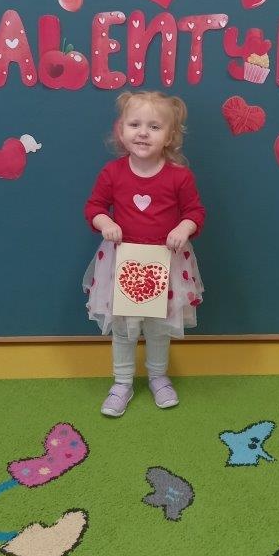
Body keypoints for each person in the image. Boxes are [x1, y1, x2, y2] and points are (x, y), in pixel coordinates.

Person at [83, 90, 205, 417]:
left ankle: (158, 377)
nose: (143, 133)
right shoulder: (113, 172)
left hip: (165, 262)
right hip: (122, 262)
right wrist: (106, 222)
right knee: (124, 328)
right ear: (121, 130)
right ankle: (122, 382)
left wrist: (183, 229)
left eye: (154, 127)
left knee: (157, 327)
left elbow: (195, 212)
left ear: (170, 136)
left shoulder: (179, 176)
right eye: (135, 124)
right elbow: (94, 207)